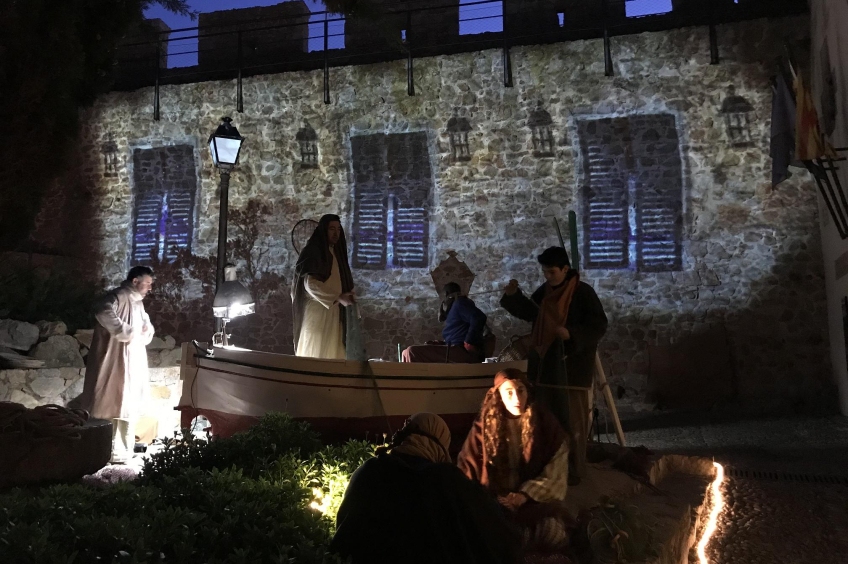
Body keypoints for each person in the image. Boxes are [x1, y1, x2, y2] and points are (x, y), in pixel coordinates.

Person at [331, 412, 521, 564]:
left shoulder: (370, 470)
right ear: (441, 444)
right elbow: (489, 529)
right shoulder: (448, 481)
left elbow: (345, 532)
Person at [500, 246, 607, 483]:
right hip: (546, 367)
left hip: (571, 370)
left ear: (565, 269)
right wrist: (513, 296)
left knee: (573, 424)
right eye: (545, 272)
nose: (548, 277)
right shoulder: (546, 292)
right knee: (546, 422)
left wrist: (571, 334)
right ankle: (549, 471)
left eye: (552, 272)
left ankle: (573, 473)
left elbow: (598, 325)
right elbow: (532, 313)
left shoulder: (583, 293)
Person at [457, 369, 572, 554]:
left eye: (520, 390)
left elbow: (556, 471)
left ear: (528, 392)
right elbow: (466, 470)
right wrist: (492, 499)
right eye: (509, 392)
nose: (516, 398)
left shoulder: (545, 424)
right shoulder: (483, 427)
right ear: (499, 396)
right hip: (493, 502)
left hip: (532, 502)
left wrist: (523, 495)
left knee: (553, 533)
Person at [69, 266, 155, 464]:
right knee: (109, 401)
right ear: (135, 281)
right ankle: (104, 450)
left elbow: (145, 326)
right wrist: (127, 331)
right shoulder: (118, 296)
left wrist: (145, 330)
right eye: (147, 283)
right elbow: (103, 311)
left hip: (131, 360)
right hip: (113, 358)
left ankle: (122, 451)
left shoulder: (137, 303)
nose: (150, 288)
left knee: (127, 404)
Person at [291, 214, 355, 359]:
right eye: (332, 229)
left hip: (334, 312)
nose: (336, 233)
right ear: (324, 230)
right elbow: (310, 284)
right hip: (317, 312)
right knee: (315, 352)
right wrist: (338, 297)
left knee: (333, 353)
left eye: (338, 229)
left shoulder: (337, 253)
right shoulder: (313, 252)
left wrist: (347, 297)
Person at [402, 282, 488, 363]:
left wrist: (469, 341)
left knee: (412, 352)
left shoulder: (460, 303)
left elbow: (479, 317)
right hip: (454, 348)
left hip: (461, 350)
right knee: (405, 353)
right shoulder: (454, 308)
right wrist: (441, 343)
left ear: (446, 294)